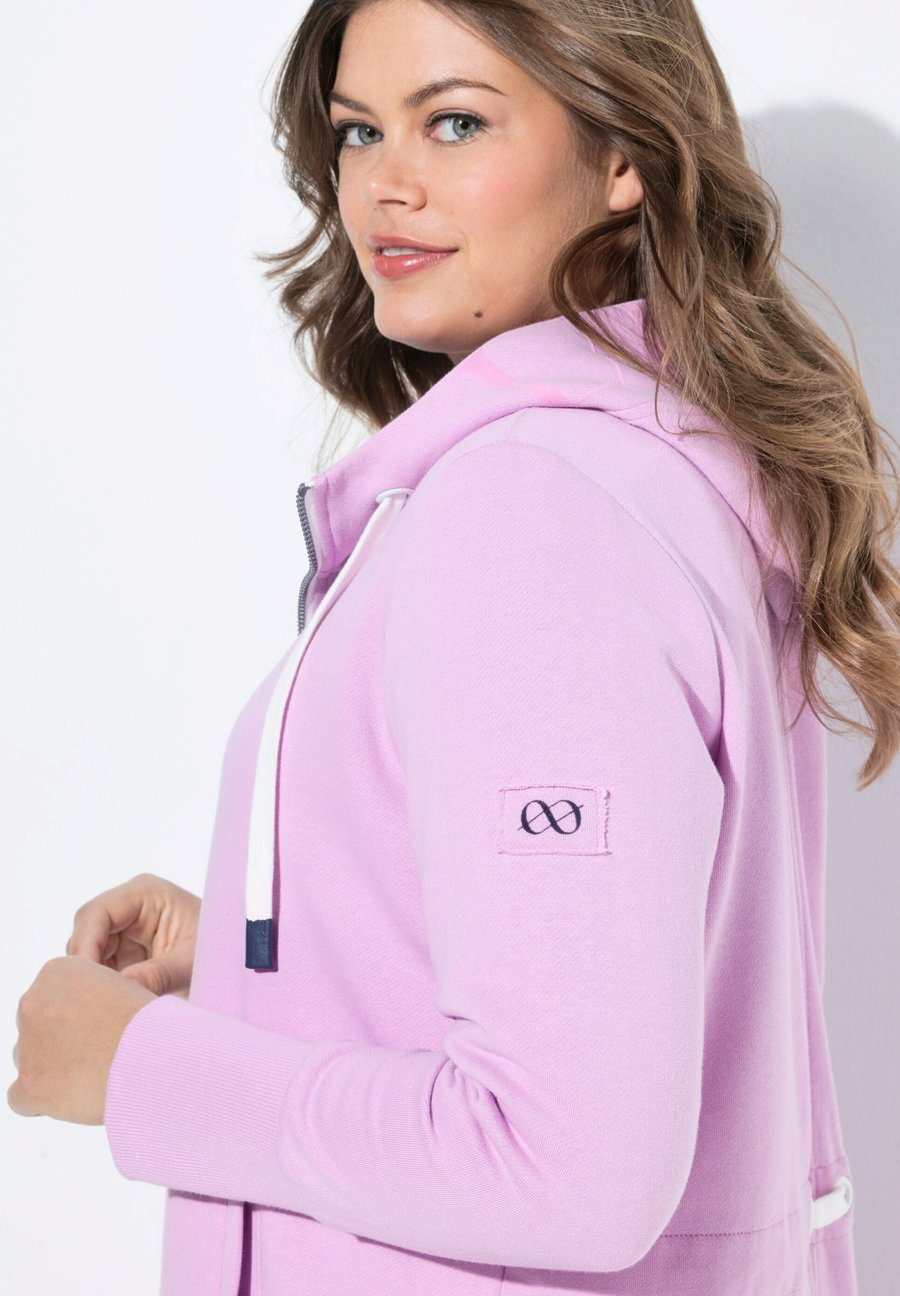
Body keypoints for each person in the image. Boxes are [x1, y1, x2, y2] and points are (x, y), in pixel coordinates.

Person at [9, 0, 898, 1293]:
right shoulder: (651, 476)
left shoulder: (534, 513)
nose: (387, 186)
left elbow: (568, 1167)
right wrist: (304, 954)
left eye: (457, 122)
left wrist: (144, 1069)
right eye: (359, 132)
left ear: (624, 154)